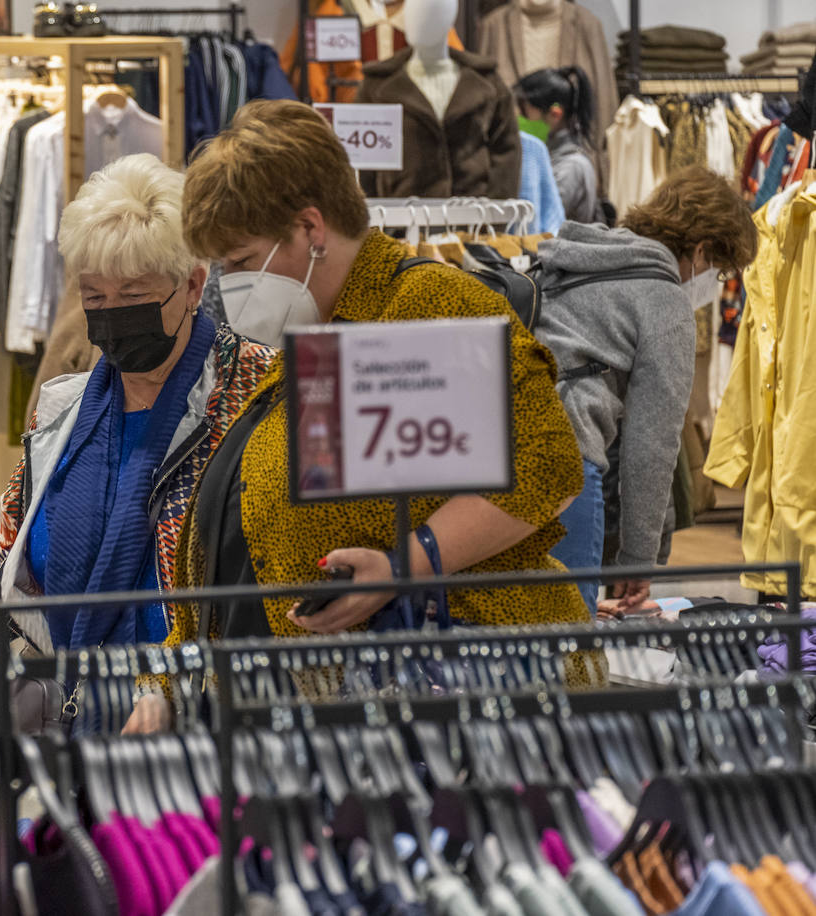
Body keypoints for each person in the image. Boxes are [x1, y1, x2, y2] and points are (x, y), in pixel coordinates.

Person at [127, 99, 594, 733]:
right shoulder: (308, 345)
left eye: (239, 261)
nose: (229, 284)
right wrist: (168, 685)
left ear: (310, 229)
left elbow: (547, 468)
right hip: (322, 712)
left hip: (454, 703)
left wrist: (407, 563)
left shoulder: (424, 302)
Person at [0, 153, 275, 659]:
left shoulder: (257, 392)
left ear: (193, 287)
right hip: (70, 705)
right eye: (94, 298)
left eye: (133, 296)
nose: (112, 316)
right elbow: (2, 542)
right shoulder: (62, 411)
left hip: (205, 704)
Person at [537, 166, 757, 614]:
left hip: (491, 470)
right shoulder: (663, 301)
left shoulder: (568, 258)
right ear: (699, 250)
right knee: (564, 656)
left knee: (504, 645)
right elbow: (651, 448)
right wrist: (637, 562)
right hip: (565, 469)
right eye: (715, 270)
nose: (708, 282)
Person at [514, 67, 605, 224]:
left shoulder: (570, 167)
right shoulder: (550, 157)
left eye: (524, 110)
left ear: (555, 114)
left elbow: (540, 224)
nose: (519, 118)